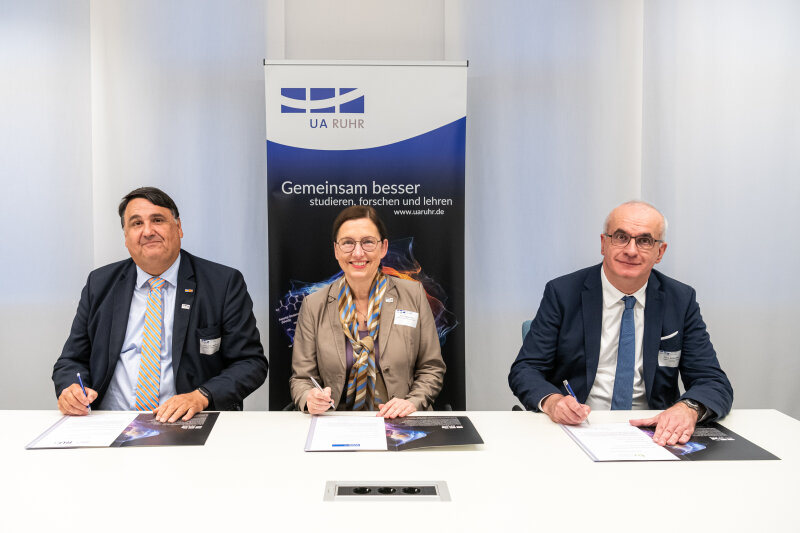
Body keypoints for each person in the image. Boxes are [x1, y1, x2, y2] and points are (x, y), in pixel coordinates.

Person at [509, 201, 733, 446]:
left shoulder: (680, 300)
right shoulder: (563, 293)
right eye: (621, 237)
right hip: (577, 428)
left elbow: (712, 381)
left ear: (660, 252)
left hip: (653, 434)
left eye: (645, 241)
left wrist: (688, 408)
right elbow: (526, 369)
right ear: (604, 244)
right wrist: (552, 401)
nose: (631, 250)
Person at [52, 187, 268, 422]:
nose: (147, 231)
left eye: (157, 220)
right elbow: (71, 360)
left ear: (179, 228)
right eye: (136, 223)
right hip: (110, 420)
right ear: (126, 237)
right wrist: (71, 389)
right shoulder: (100, 283)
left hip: (188, 420)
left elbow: (250, 363)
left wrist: (201, 396)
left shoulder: (222, 283)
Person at [290, 205, 445, 418]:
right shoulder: (314, 305)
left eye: (368, 242)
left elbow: (431, 368)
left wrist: (412, 402)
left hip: (400, 421)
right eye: (348, 243)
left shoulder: (414, 295)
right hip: (336, 422)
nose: (358, 252)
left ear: (383, 248)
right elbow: (301, 379)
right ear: (336, 250)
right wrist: (309, 398)